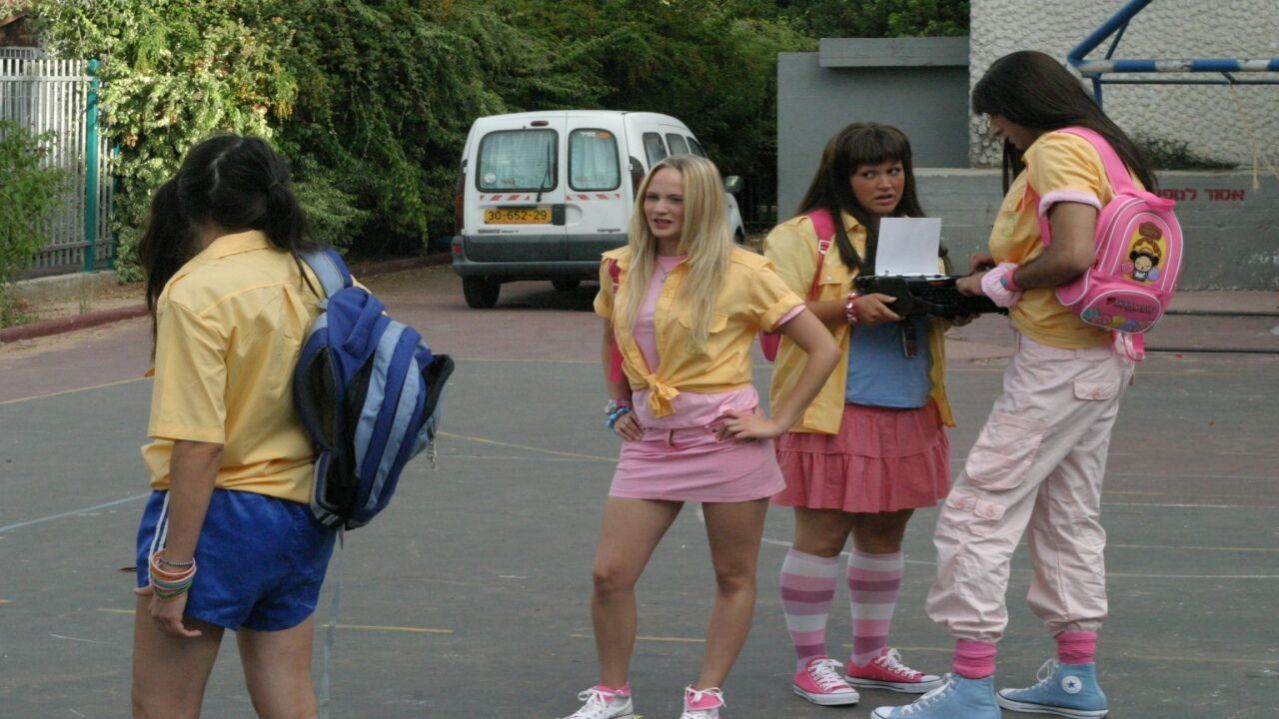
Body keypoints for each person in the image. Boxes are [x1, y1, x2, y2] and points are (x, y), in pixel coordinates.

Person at [872, 50, 1152, 719]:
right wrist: (1010, 263)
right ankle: (1075, 676)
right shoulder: (1109, 150)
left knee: (978, 511)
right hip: (1104, 353)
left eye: (995, 115)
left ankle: (971, 687)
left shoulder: (1056, 148)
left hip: (1055, 363)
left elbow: (1074, 253)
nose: (997, 129)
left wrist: (996, 281)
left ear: (1022, 104)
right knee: (1067, 514)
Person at [562, 155, 840, 719]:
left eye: (676, 199)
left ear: (705, 205)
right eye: (653, 197)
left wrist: (777, 422)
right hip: (651, 441)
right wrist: (617, 403)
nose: (660, 209)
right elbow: (614, 339)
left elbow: (823, 347)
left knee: (733, 576)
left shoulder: (746, 271)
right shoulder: (619, 266)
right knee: (609, 574)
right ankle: (613, 694)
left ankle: (707, 692)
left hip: (726, 441)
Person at [131, 134, 337, 718]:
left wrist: (174, 569)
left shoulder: (195, 292)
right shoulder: (316, 275)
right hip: (302, 511)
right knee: (289, 696)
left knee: (162, 706)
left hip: (218, 517)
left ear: (188, 200)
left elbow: (199, 445)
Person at [763, 123, 956, 707]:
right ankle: (810, 662)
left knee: (885, 535)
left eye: (894, 170)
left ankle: (870, 655)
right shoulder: (804, 234)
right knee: (822, 537)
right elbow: (770, 311)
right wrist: (849, 307)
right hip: (832, 406)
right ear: (842, 177)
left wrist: (958, 301)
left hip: (909, 401)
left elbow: (926, 312)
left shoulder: (916, 231)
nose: (885, 183)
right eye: (869, 173)